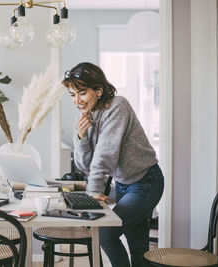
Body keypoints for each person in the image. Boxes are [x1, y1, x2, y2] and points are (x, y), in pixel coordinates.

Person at [62, 62, 164, 267]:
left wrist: (93, 194)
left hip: (147, 181)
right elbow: (84, 165)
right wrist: (81, 138)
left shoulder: (118, 106)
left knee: (106, 233)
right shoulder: (82, 119)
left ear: (98, 90)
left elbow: (105, 155)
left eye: (81, 93)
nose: (77, 101)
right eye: (72, 95)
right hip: (124, 184)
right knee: (138, 246)